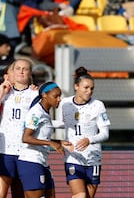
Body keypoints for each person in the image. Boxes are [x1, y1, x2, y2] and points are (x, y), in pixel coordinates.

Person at [0, 58, 38, 198]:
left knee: (20, 193)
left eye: (25, 69)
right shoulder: (3, 92)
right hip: (4, 151)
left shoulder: (36, 95)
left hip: (25, 152)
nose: (21, 71)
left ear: (30, 73)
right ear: (12, 73)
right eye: (18, 68)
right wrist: (1, 94)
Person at [59, 67, 111, 198]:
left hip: (93, 158)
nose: (89, 91)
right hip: (73, 157)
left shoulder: (98, 105)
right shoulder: (65, 103)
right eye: (86, 88)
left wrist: (89, 140)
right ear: (76, 86)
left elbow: (105, 133)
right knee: (80, 195)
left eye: (92, 88)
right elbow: (61, 123)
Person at [18, 81, 71, 198]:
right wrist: (51, 143)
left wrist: (58, 142)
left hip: (42, 162)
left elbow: (40, 136)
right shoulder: (36, 112)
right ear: (44, 95)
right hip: (31, 162)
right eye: (55, 96)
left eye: (59, 96)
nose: (59, 99)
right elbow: (26, 137)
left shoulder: (45, 112)